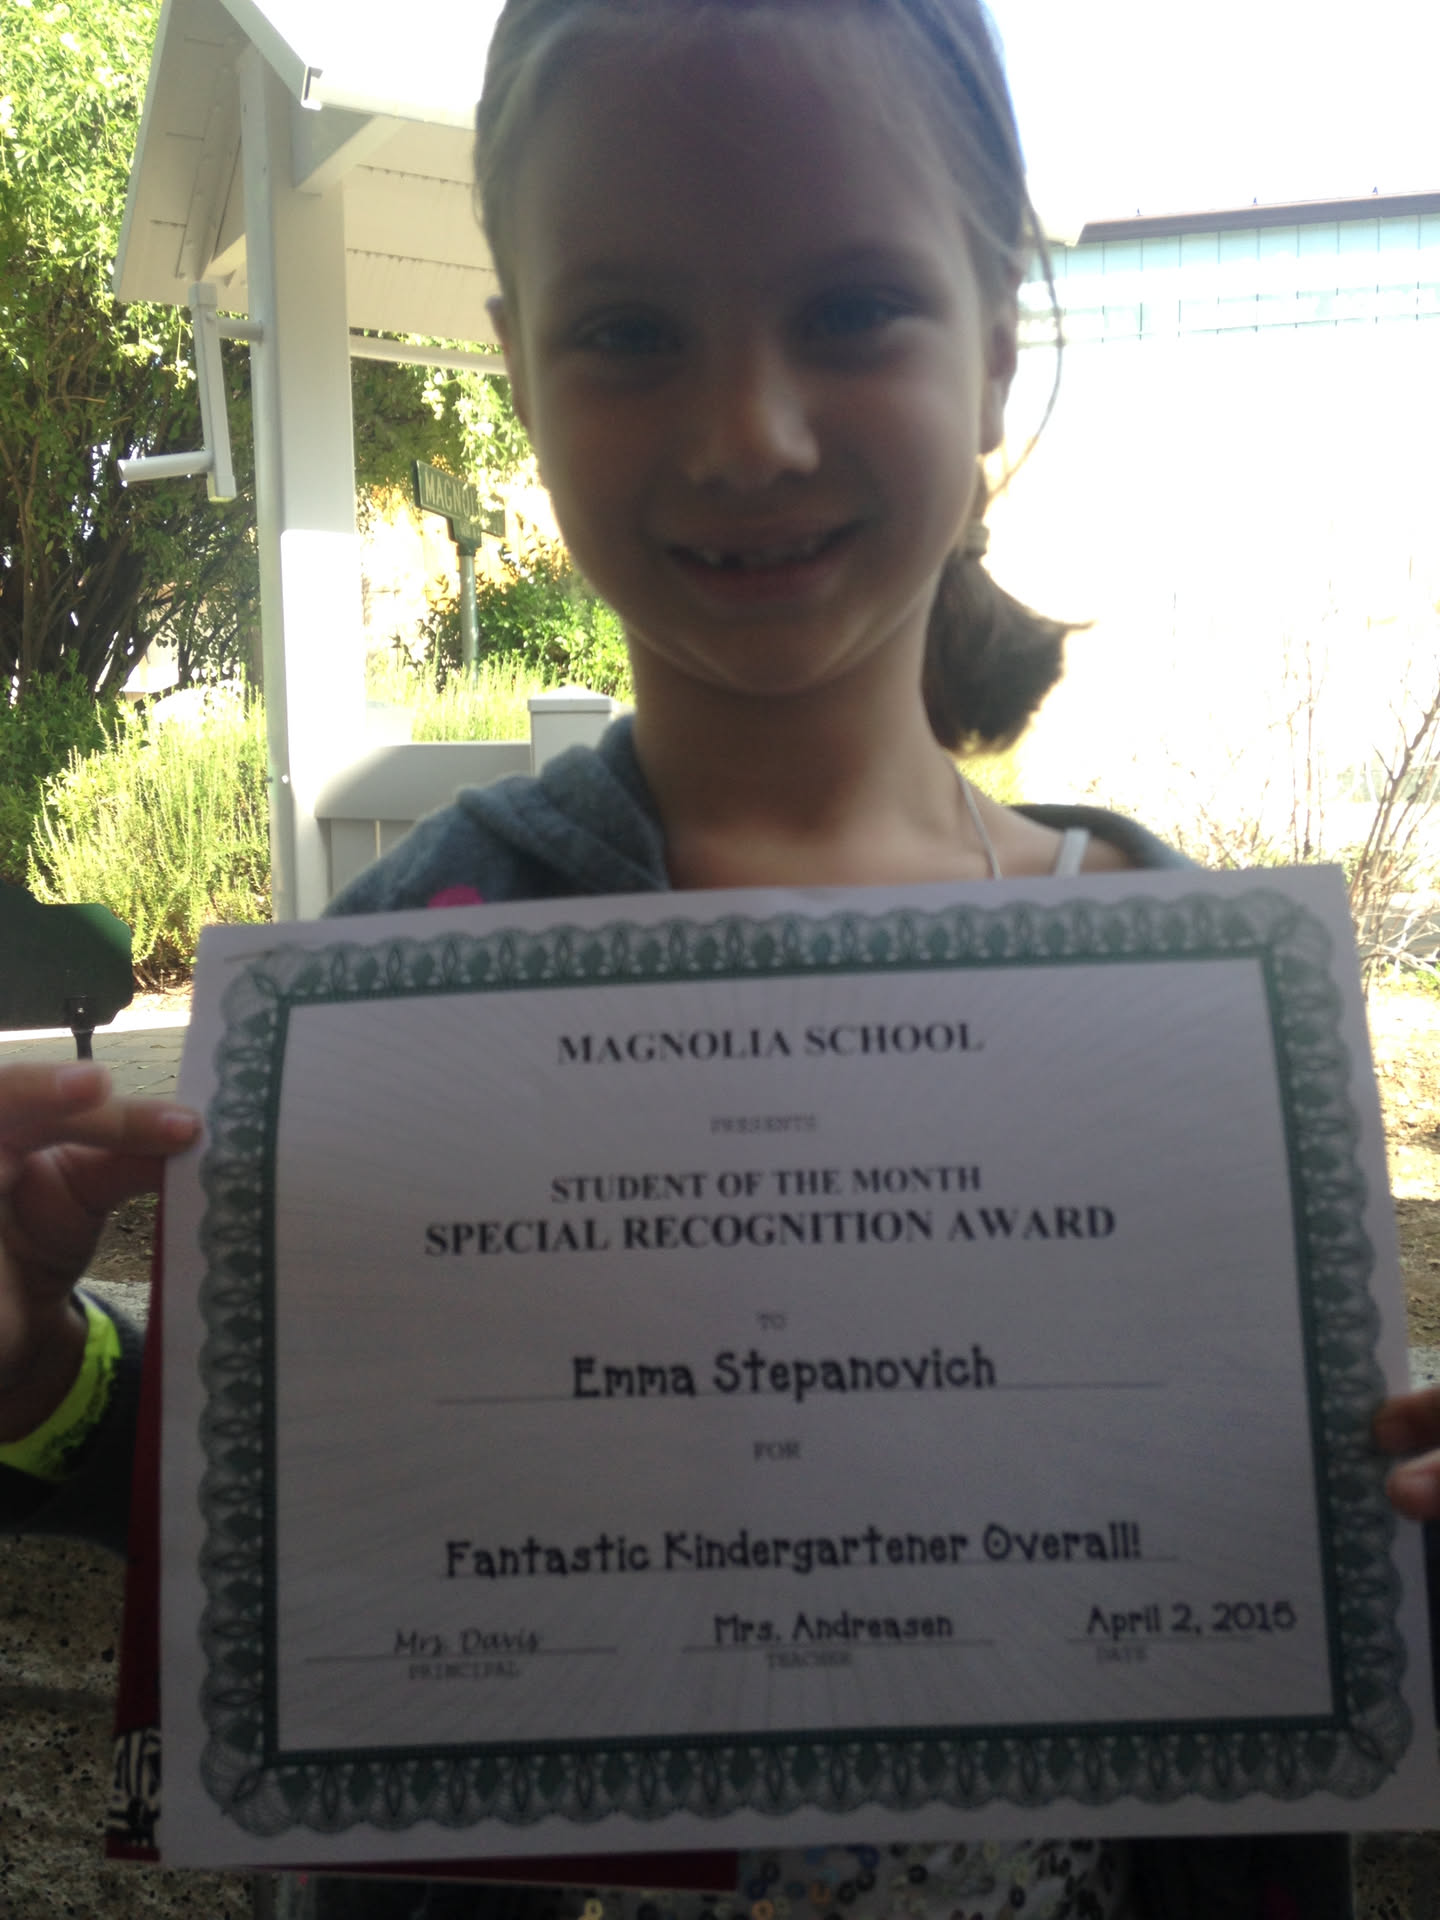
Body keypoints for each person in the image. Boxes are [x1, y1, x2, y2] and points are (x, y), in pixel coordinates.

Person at [0, 0, 1431, 1913]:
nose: (748, 433)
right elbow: (304, 1523)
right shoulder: (405, 972)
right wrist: (44, 1368)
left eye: (853, 309)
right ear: (518, 371)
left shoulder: (1188, 1004)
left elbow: (1282, 1555)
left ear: (997, 351)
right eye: (629, 331)